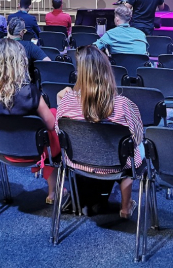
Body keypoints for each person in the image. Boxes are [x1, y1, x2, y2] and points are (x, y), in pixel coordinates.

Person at [56, 46, 143, 218]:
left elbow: (60, 132)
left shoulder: (67, 101)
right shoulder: (123, 104)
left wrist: (60, 99)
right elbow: (138, 137)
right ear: (107, 71)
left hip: (78, 162)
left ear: (80, 73)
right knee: (134, 151)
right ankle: (125, 208)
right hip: (116, 164)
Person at [0, 38, 61, 203]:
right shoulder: (29, 92)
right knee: (53, 120)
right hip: (33, 152)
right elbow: (51, 124)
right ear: (19, 63)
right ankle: (53, 192)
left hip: (1, 150)